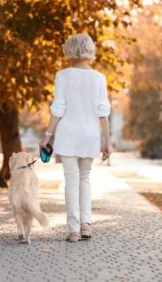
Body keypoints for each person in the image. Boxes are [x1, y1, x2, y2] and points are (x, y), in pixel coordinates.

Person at [39, 33, 112, 242]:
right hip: (90, 135)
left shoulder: (62, 76)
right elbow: (102, 112)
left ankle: (73, 229)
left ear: (69, 49)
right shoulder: (99, 78)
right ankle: (86, 224)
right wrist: (107, 141)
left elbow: (58, 109)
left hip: (68, 135)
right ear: (89, 50)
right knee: (85, 179)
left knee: (71, 181)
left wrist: (47, 136)